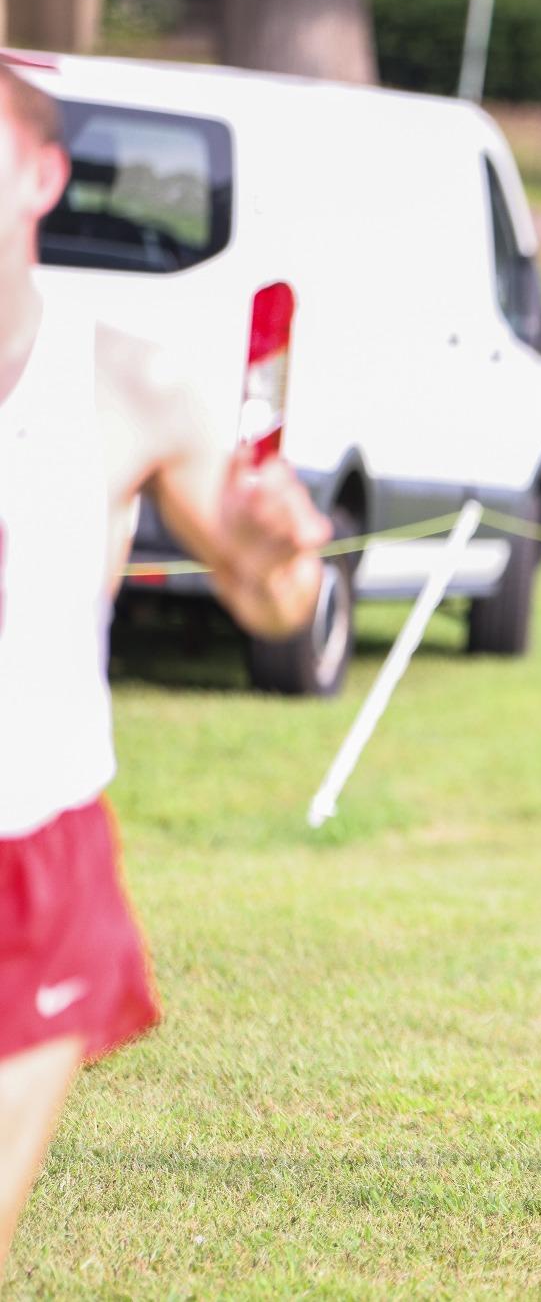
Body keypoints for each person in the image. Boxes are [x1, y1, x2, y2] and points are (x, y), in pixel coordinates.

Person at [0, 68, 329, 1272]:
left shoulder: (126, 382)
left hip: (26, 851)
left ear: (41, 175)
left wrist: (279, 546)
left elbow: (268, 597)